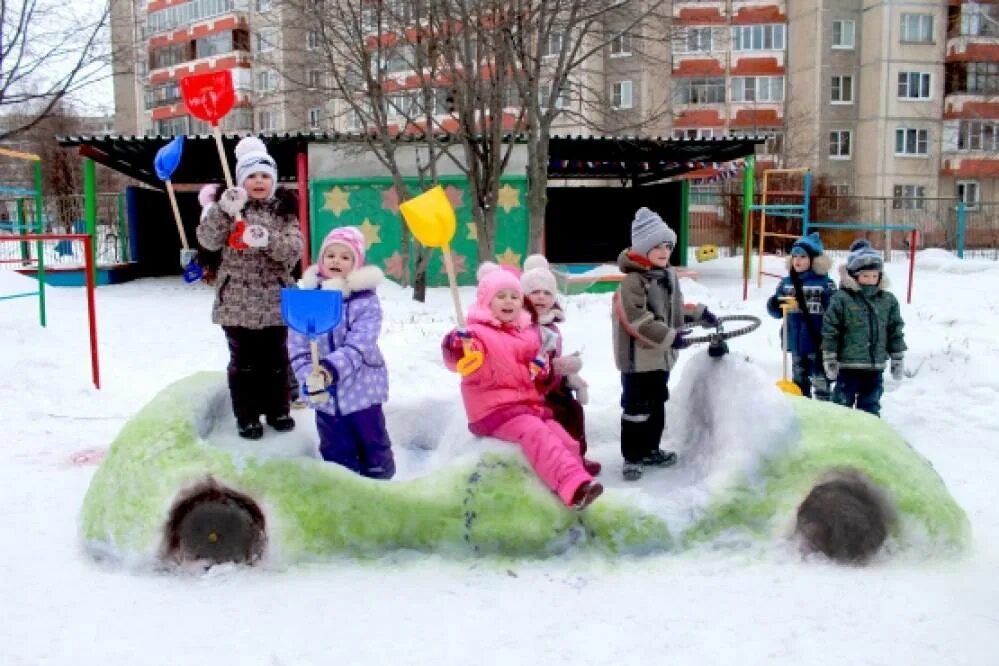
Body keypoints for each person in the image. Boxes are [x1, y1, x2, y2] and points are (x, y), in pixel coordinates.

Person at [442, 262, 602, 509]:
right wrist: (455, 344)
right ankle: (574, 487)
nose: (509, 302)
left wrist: (542, 370)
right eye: (501, 296)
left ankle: (579, 486)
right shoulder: (475, 333)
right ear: (486, 301)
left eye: (514, 297)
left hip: (527, 405)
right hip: (494, 410)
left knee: (564, 438)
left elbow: (540, 375)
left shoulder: (527, 333)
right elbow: (456, 360)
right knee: (537, 435)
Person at [196, 137, 304, 440]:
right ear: (241, 179)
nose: (259, 181)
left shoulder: (284, 212)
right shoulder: (229, 206)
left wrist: (266, 238)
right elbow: (207, 241)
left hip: (274, 300)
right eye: (252, 175)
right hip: (236, 301)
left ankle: (278, 409)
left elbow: (293, 250)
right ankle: (246, 416)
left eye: (265, 175)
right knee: (244, 363)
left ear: (274, 180)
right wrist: (222, 210)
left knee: (276, 360)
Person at [611, 207, 717, 481]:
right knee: (636, 408)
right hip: (638, 361)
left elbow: (674, 310)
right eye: (657, 246)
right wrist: (671, 337)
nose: (664, 251)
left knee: (657, 403)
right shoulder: (632, 282)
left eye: (668, 245)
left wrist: (698, 313)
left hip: (661, 358)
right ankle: (632, 456)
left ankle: (651, 449)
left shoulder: (667, 276)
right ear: (643, 249)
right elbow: (636, 321)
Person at [289, 227, 395, 479]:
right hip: (324, 399)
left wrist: (329, 370)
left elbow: (360, 344)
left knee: (373, 444)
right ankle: (345, 487)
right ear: (321, 260)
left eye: (345, 257)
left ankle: (382, 484)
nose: (336, 260)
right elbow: (297, 344)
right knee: (335, 449)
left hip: (362, 392)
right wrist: (309, 375)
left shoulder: (365, 301)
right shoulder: (309, 300)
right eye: (331, 255)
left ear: (356, 264)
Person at [520, 254, 600, 476]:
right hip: (533, 390)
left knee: (574, 411)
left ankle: (577, 459)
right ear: (523, 296)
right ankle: (561, 467)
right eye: (534, 292)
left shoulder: (552, 327)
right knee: (556, 417)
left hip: (553, 385)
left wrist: (569, 372)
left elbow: (554, 357)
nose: (541, 297)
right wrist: (553, 367)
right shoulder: (522, 326)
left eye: (547, 292)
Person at [821, 239, 907, 417]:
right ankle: (840, 434)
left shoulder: (887, 300)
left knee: (870, 405)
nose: (870, 280)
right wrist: (829, 357)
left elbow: (894, 330)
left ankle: (869, 437)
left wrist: (897, 357)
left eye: (874, 276)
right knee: (841, 405)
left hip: (875, 367)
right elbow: (831, 330)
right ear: (853, 275)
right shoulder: (842, 299)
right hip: (848, 366)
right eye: (865, 276)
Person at [765, 232, 837, 400]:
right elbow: (776, 311)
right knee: (798, 383)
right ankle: (802, 412)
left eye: (803, 257)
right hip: (795, 343)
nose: (797, 260)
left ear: (814, 260)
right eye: (795, 256)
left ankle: (823, 413)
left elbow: (835, 315)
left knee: (821, 383)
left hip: (817, 345)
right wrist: (774, 303)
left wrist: (832, 340)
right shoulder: (786, 283)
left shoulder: (825, 284)